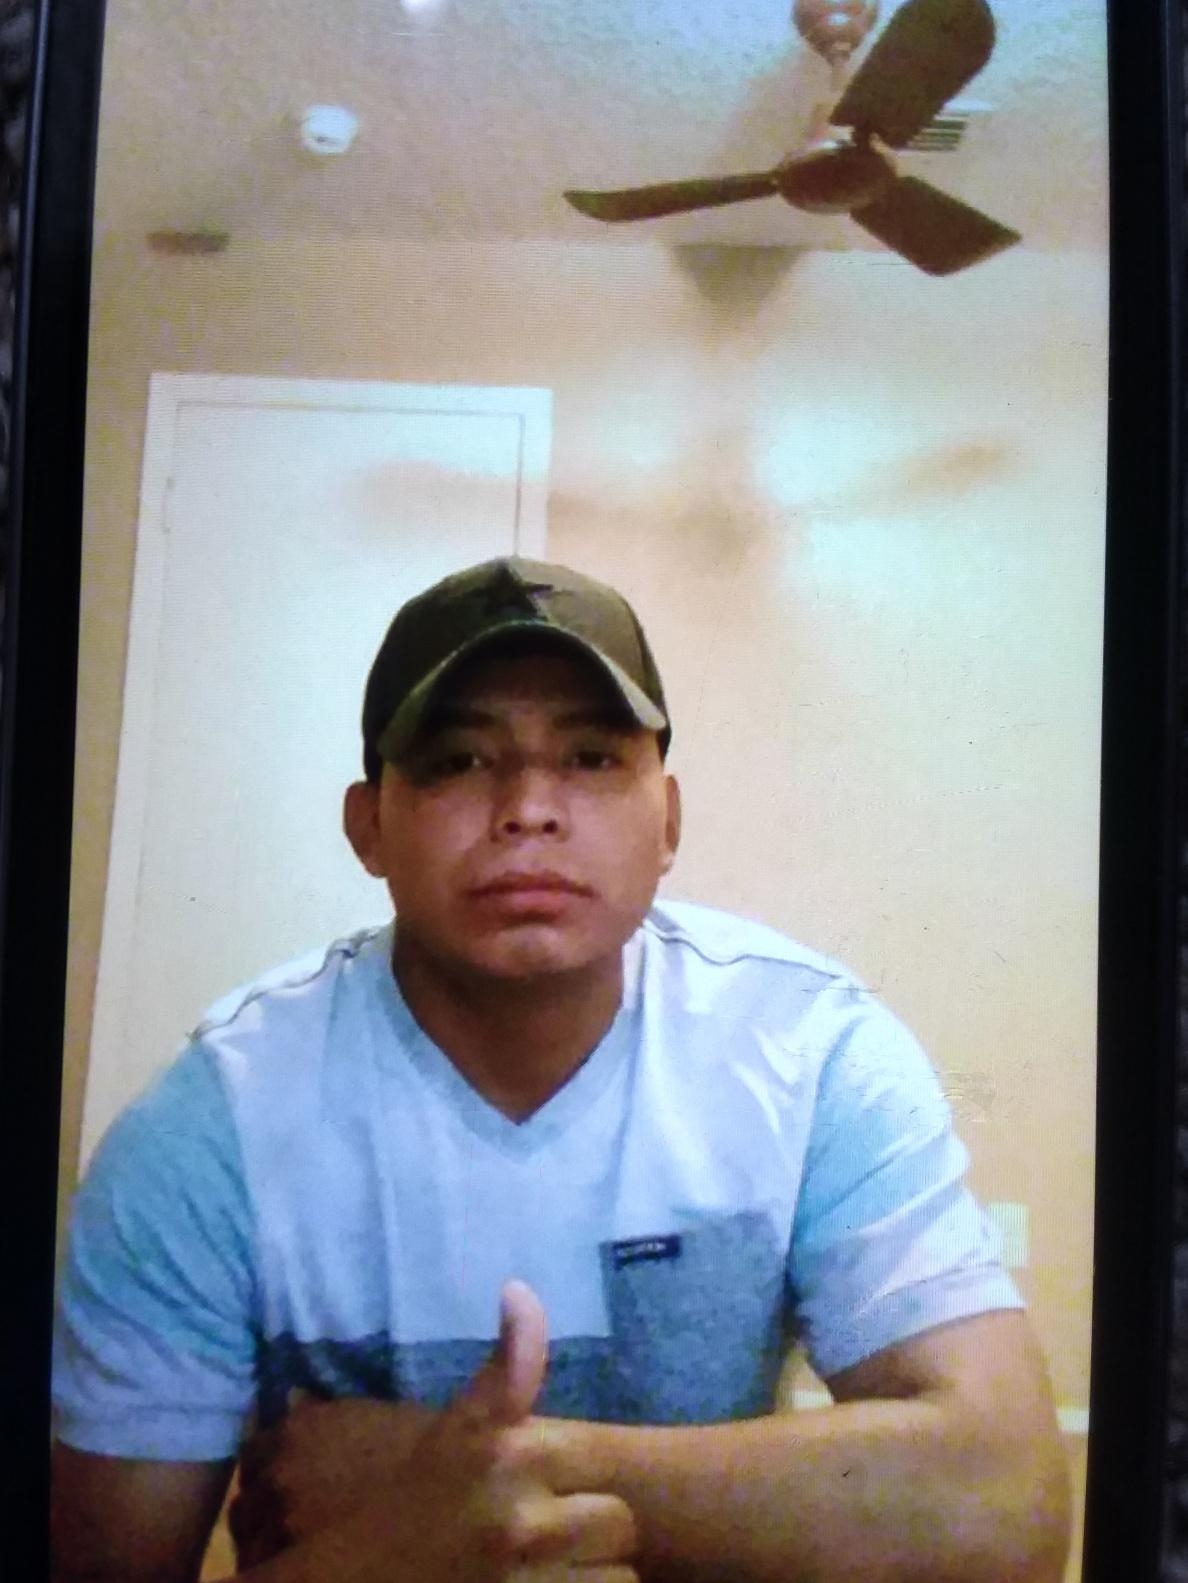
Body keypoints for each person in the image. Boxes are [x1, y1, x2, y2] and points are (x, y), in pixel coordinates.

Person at [51, 556, 1071, 1583]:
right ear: (368, 825)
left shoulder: (809, 1052)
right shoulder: (211, 1129)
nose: (529, 806)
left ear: (668, 821)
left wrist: (461, 1473)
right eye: (457, 759)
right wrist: (388, 1552)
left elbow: (1006, 1507)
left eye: (590, 756)